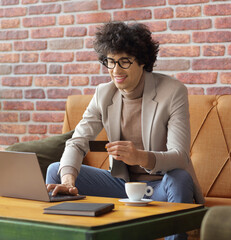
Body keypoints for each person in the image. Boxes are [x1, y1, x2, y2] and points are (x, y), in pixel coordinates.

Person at [46, 22, 204, 240]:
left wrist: (140, 156)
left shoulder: (173, 92)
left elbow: (180, 156)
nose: (115, 71)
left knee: (180, 178)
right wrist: (68, 181)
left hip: (160, 186)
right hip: (123, 186)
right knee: (57, 170)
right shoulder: (104, 94)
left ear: (142, 62)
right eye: (110, 62)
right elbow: (77, 142)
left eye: (124, 62)